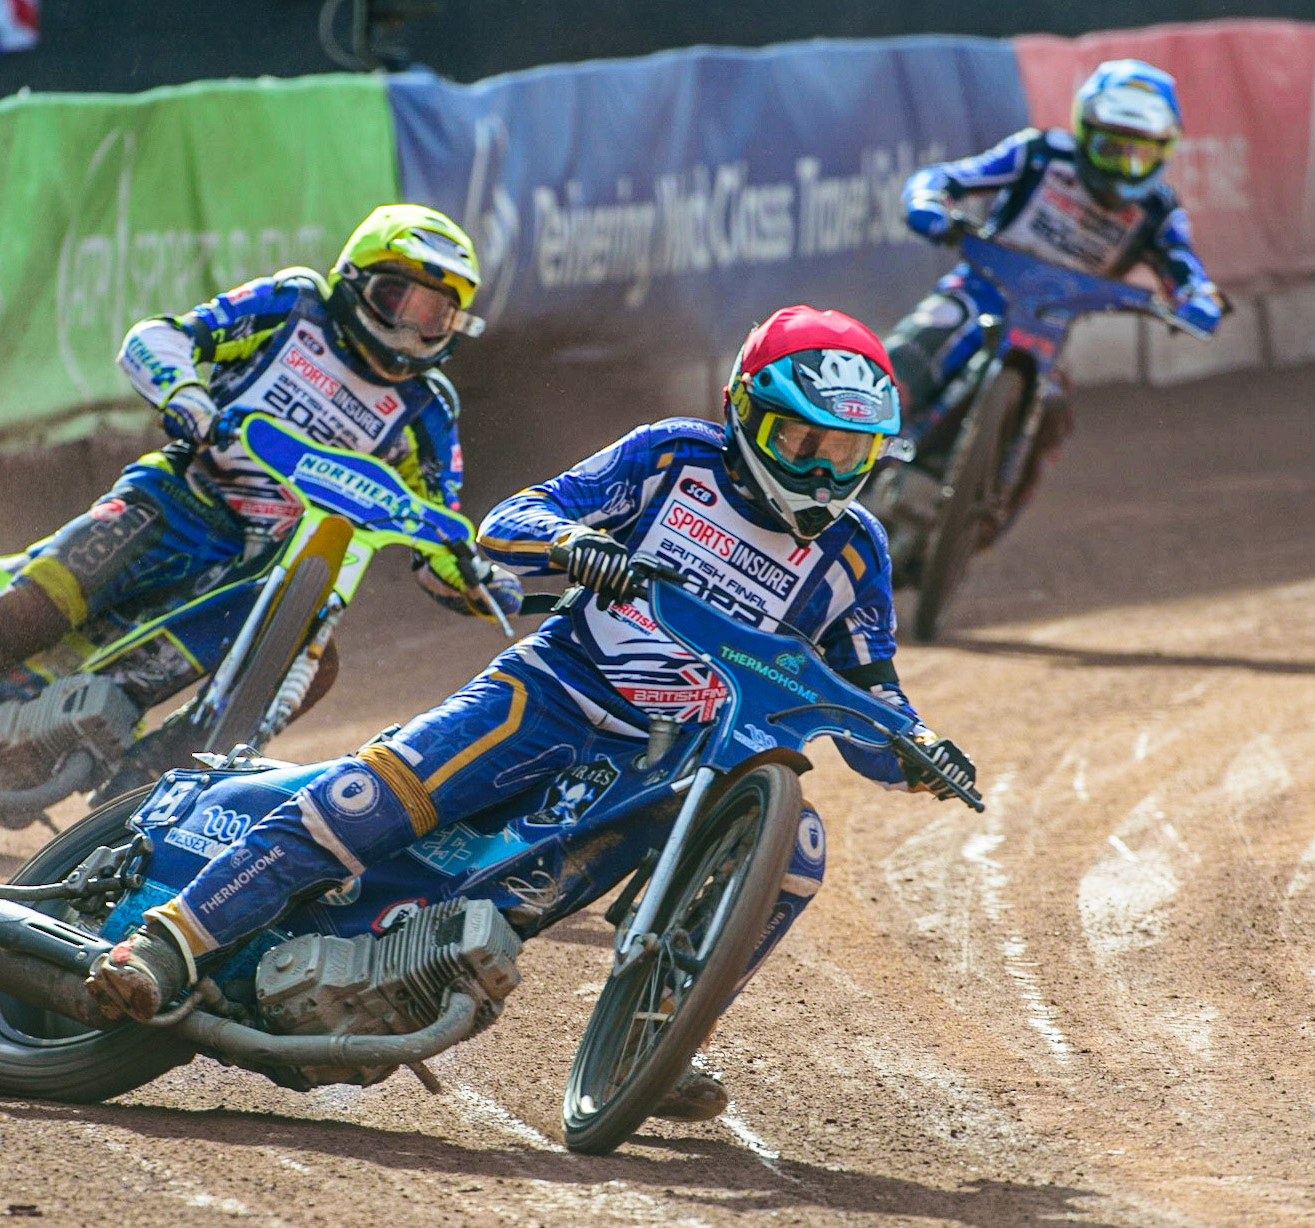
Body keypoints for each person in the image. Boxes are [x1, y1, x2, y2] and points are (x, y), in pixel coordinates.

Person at [87, 306, 977, 1121]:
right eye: (803, 441)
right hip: (551, 692)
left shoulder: (856, 550)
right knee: (368, 802)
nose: (824, 471)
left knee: (800, 850)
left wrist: (919, 747)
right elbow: (514, 519)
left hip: (668, 765)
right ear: (746, 411)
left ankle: (660, 1040)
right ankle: (167, 944)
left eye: (849, 454)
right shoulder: (674, 457)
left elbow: (873, 693)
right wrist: (578, 544)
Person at [0, 205, 519, 774]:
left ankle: (137, 799)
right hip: (177, 502)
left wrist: (473, 575)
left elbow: (436, 521)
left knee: (314, 663)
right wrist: (190, 397)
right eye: (402, 299)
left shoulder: (431, 408)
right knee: (45, 604)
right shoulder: (295, 307)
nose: (416, 327)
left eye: (438, 312)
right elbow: (160, 337)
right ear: (358, 279)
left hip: (265, 564)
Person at [885, 59, 1223, 425]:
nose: (1125, 168)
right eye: (1111, 149)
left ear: (1166, 149)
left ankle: (1004, 479)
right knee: (918, 346)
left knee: (1053, 410)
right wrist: (927, 203)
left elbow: (1184, 265)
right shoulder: (1040, 154)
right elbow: (948, 177)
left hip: (1048, 325)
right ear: (1084, 132)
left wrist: (1198, 298)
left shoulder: (1158, 211)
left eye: (1140, 155)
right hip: (981, 287)